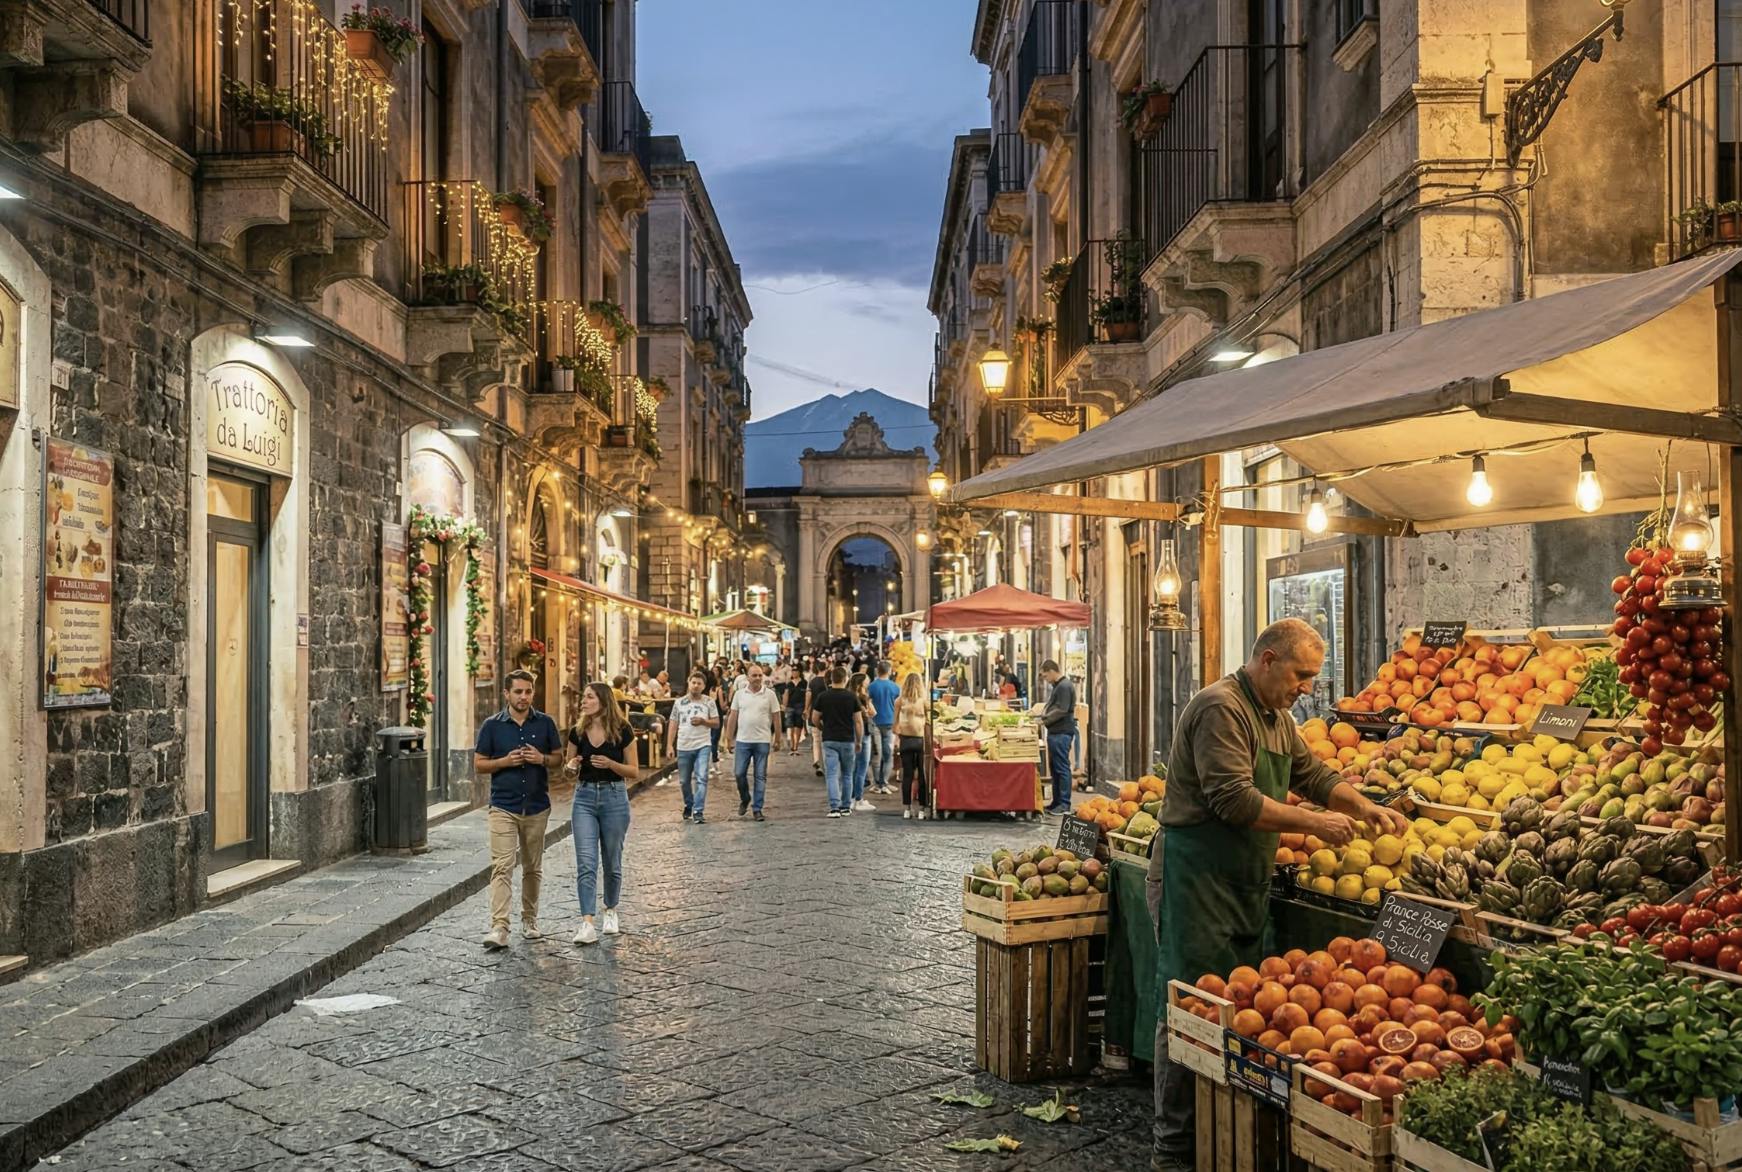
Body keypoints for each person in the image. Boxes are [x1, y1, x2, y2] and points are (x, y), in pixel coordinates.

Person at [1149, 619, 1410, 1171]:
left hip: (1243, 879)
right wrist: (1315, 826)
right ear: (1267, 660)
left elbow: (1311, 772)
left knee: (1240, 1007)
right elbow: (1233, 801)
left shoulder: (1276, 717)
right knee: (1192, 1005)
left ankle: (1227, 1133)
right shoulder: (1222, 707)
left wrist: (1359, 806)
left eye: (1313, 677)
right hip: (1195, 876)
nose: (1307, 688)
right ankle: (1173, 1145)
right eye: (1301, 675)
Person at [472, 670, 563, 949]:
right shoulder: (492, 726)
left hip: (536, 806)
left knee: (533, 867)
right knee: (502, 865)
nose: (524, 697)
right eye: (518, 692)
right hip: (503, 806)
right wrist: (504, 762)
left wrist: (542, 758)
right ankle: (499, 927)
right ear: (507, 694)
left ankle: (529, 919)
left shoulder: (546, 723)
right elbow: (479, 764)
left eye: (528, 691)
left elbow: (559, 759)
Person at [564, 681, 640, 946]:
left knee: (612, 859)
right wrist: (572, 766)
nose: (583, 701)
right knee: (586, 862)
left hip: (614, 797)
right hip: (584, 797)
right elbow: (567, 769)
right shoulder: (578, 730)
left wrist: (611, 764)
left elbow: (633, 771)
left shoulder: (622, 730)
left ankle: (610, 909)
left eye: (589, 697)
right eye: (584, 697)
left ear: (603, 701)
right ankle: (587, 923)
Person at [723, 662, 782, 821]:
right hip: (743, 740)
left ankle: (757, 809)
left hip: (762, 740)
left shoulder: (769, 694)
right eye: (754, 675)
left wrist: (778, 738)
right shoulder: (739, 694)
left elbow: (776, 716)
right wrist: (729, 738)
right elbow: (733, 717)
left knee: (760, 776)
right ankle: (745, 798)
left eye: (760, 675)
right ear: (747, 677)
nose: (757, 678)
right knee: (739, 773)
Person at [666, 669, 719, 823]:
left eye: (699, 683)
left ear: (704, 686)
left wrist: (703, 722)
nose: (696, 686)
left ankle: (698, 810)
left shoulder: (709, 702)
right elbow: (673, 724)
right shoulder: (679, 703)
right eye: (693, 682)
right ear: (688, 684)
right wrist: (669, 745)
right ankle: (689, 804)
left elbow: (716, 723)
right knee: (684, 781)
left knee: (702, 777)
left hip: (703, 744)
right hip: (684, 745)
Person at [811, 666, 863, 818]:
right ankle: (846, 806)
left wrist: (822, 727)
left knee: (832, 774)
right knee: (847, 774)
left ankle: (834, 807)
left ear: (831, 680)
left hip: (829, 739)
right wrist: (858, 740)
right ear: (846, 679)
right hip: (847, 740)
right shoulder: (852, 697)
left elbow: (815, 718)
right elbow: (858, 722)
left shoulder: (823, 696)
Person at [1037, 660, 1078, 815]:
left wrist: (1044, 719)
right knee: (1055, 769)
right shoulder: (1058, 686)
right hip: (1055, 733)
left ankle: (1064, 804)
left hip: (1062, 733)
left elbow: (1061, 709)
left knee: (1061, 768)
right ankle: (1056, 802)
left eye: (1045, 675)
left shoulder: (1064, 686)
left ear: (1052, 671)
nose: (1045, 679)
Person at [895, 671, 929, 820]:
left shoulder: (900, 700)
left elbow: (894, 725)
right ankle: (922, 809)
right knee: (922, 775)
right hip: (920, 740)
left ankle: (907, 809)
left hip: (905, 740)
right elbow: (929, 721)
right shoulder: (924, 701)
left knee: (907, 775)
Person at [867, 661, 900, 796]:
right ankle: (884, 782)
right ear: (890, 670)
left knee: (877, 755)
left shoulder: (871, 686)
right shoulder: (895, 687)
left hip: (875, 722)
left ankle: (876, 783)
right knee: (888, 755)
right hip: (890, 723)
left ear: (877, 671)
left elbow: (866, 702)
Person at [847, 671, 876, 812]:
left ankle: (852, 797)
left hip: (851, 734)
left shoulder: (849, 697)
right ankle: (858, 799)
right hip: (863, 734)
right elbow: (872, 713)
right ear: (861, 684)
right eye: (866, 681)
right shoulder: (862, 698)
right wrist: (868, 701)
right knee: (862, 767)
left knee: (853, 768)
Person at [805, 661, 830, 777]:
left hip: (815, 712)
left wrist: (806, 709)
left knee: (816, 740)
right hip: (827, 713)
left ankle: (816, 761)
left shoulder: (812, 681)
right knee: (825, 740)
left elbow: (808, 696)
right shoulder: (828, 681)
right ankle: (825, 763)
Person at [783, 664, 807, 754]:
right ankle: (792, 748)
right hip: (790, 707)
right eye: (793, 671)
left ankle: (796, 747)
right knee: (791, 728)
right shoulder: (789, 683)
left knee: (798, 728)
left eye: (796, 671)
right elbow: (786, 695)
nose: (794, 673)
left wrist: (806, 708)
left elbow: (807, 696)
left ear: (799, 672)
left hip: (800, 706)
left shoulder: (804, 683)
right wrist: (784, 706)